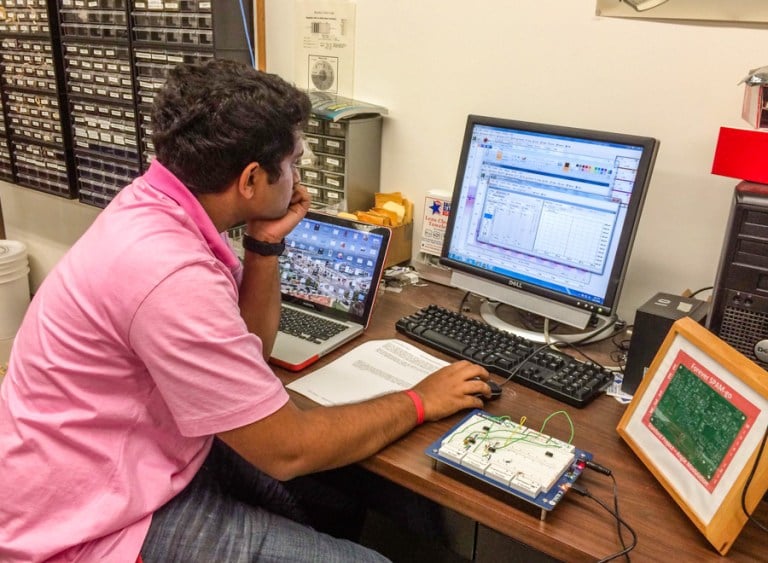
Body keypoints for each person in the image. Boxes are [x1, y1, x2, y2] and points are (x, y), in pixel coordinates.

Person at [0, 59, 492, 562]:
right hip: (85, 527)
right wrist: (419, 401)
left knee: (323, 497)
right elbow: (288, 449)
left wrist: (264, 247)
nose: (299, 176)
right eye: (294, 161)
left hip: (126, 460)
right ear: (252, 178)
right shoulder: (168, 273)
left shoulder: (154, 207)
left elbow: (252, 350)